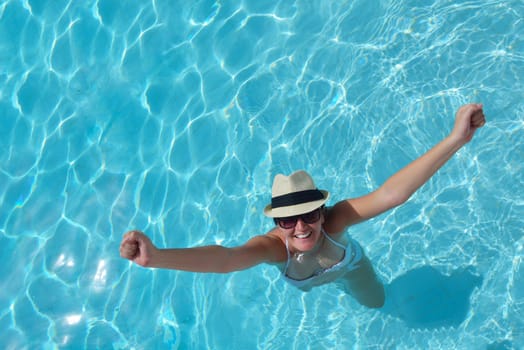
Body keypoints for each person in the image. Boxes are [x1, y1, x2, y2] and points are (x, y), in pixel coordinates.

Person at [120, 103, 486, 309]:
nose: (300, 227)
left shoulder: (336, 221)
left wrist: (455, 139)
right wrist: (158, 257)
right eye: (287, 220)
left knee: (376, 303)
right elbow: (227, 259)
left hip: (352, 269)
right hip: (308, 283)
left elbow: (393, 194)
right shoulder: (274, 249)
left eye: (309, 215)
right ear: (276, 222)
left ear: (322, 212)